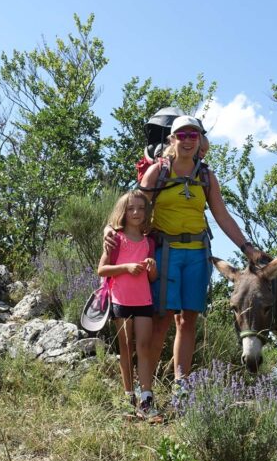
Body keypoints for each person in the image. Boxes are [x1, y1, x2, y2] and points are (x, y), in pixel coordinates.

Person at [107, 115, 268, 418]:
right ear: (172, 139)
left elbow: (221, 215)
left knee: (188, 320)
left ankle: (181, 390)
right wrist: (112, 229)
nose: (188, 140)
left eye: (193, 135)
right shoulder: (157, 171)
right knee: (163, 319)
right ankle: (147, 392)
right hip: (166, 251)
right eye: (182, 135)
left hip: (197, 252)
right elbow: (134, 205)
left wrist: (247, 247)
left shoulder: (206, 176)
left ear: (199, 140)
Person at [96, 190, 158, 418]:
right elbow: (102, 269)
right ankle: (128, 397)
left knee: (143, 348)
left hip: (144, 301)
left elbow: (152, 278)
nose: (136, 213)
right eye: (131, 208)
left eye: (141, 209)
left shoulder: (148, 242)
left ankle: (147, 399)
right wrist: (126, 268)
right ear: (123, 211)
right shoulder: (115, 238)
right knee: (126, 349)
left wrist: (152, 267)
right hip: (120, 301)